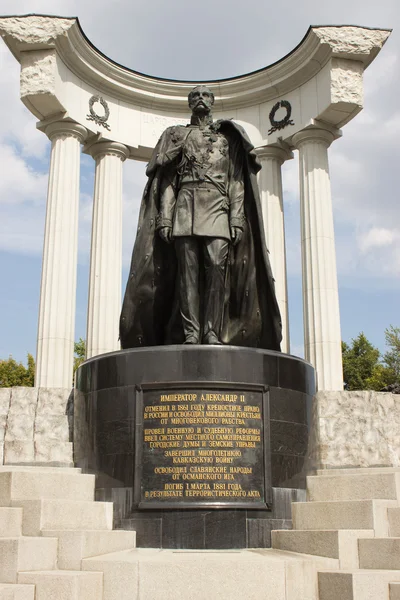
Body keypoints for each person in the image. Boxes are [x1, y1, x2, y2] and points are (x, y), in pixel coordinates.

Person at [120, 85, 282, 350]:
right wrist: (166, 218)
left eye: (205, 95)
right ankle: (191, 333)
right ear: (189, 103)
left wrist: (236, 219)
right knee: (188, 275)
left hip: (218, 208)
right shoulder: (178, 137)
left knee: (217, 268)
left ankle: (212, 332)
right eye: (195, 96)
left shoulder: (227, 141)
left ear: (213, 102)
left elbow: (236, 183)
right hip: (185, 208)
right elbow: (169, 182)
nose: (200, 99)